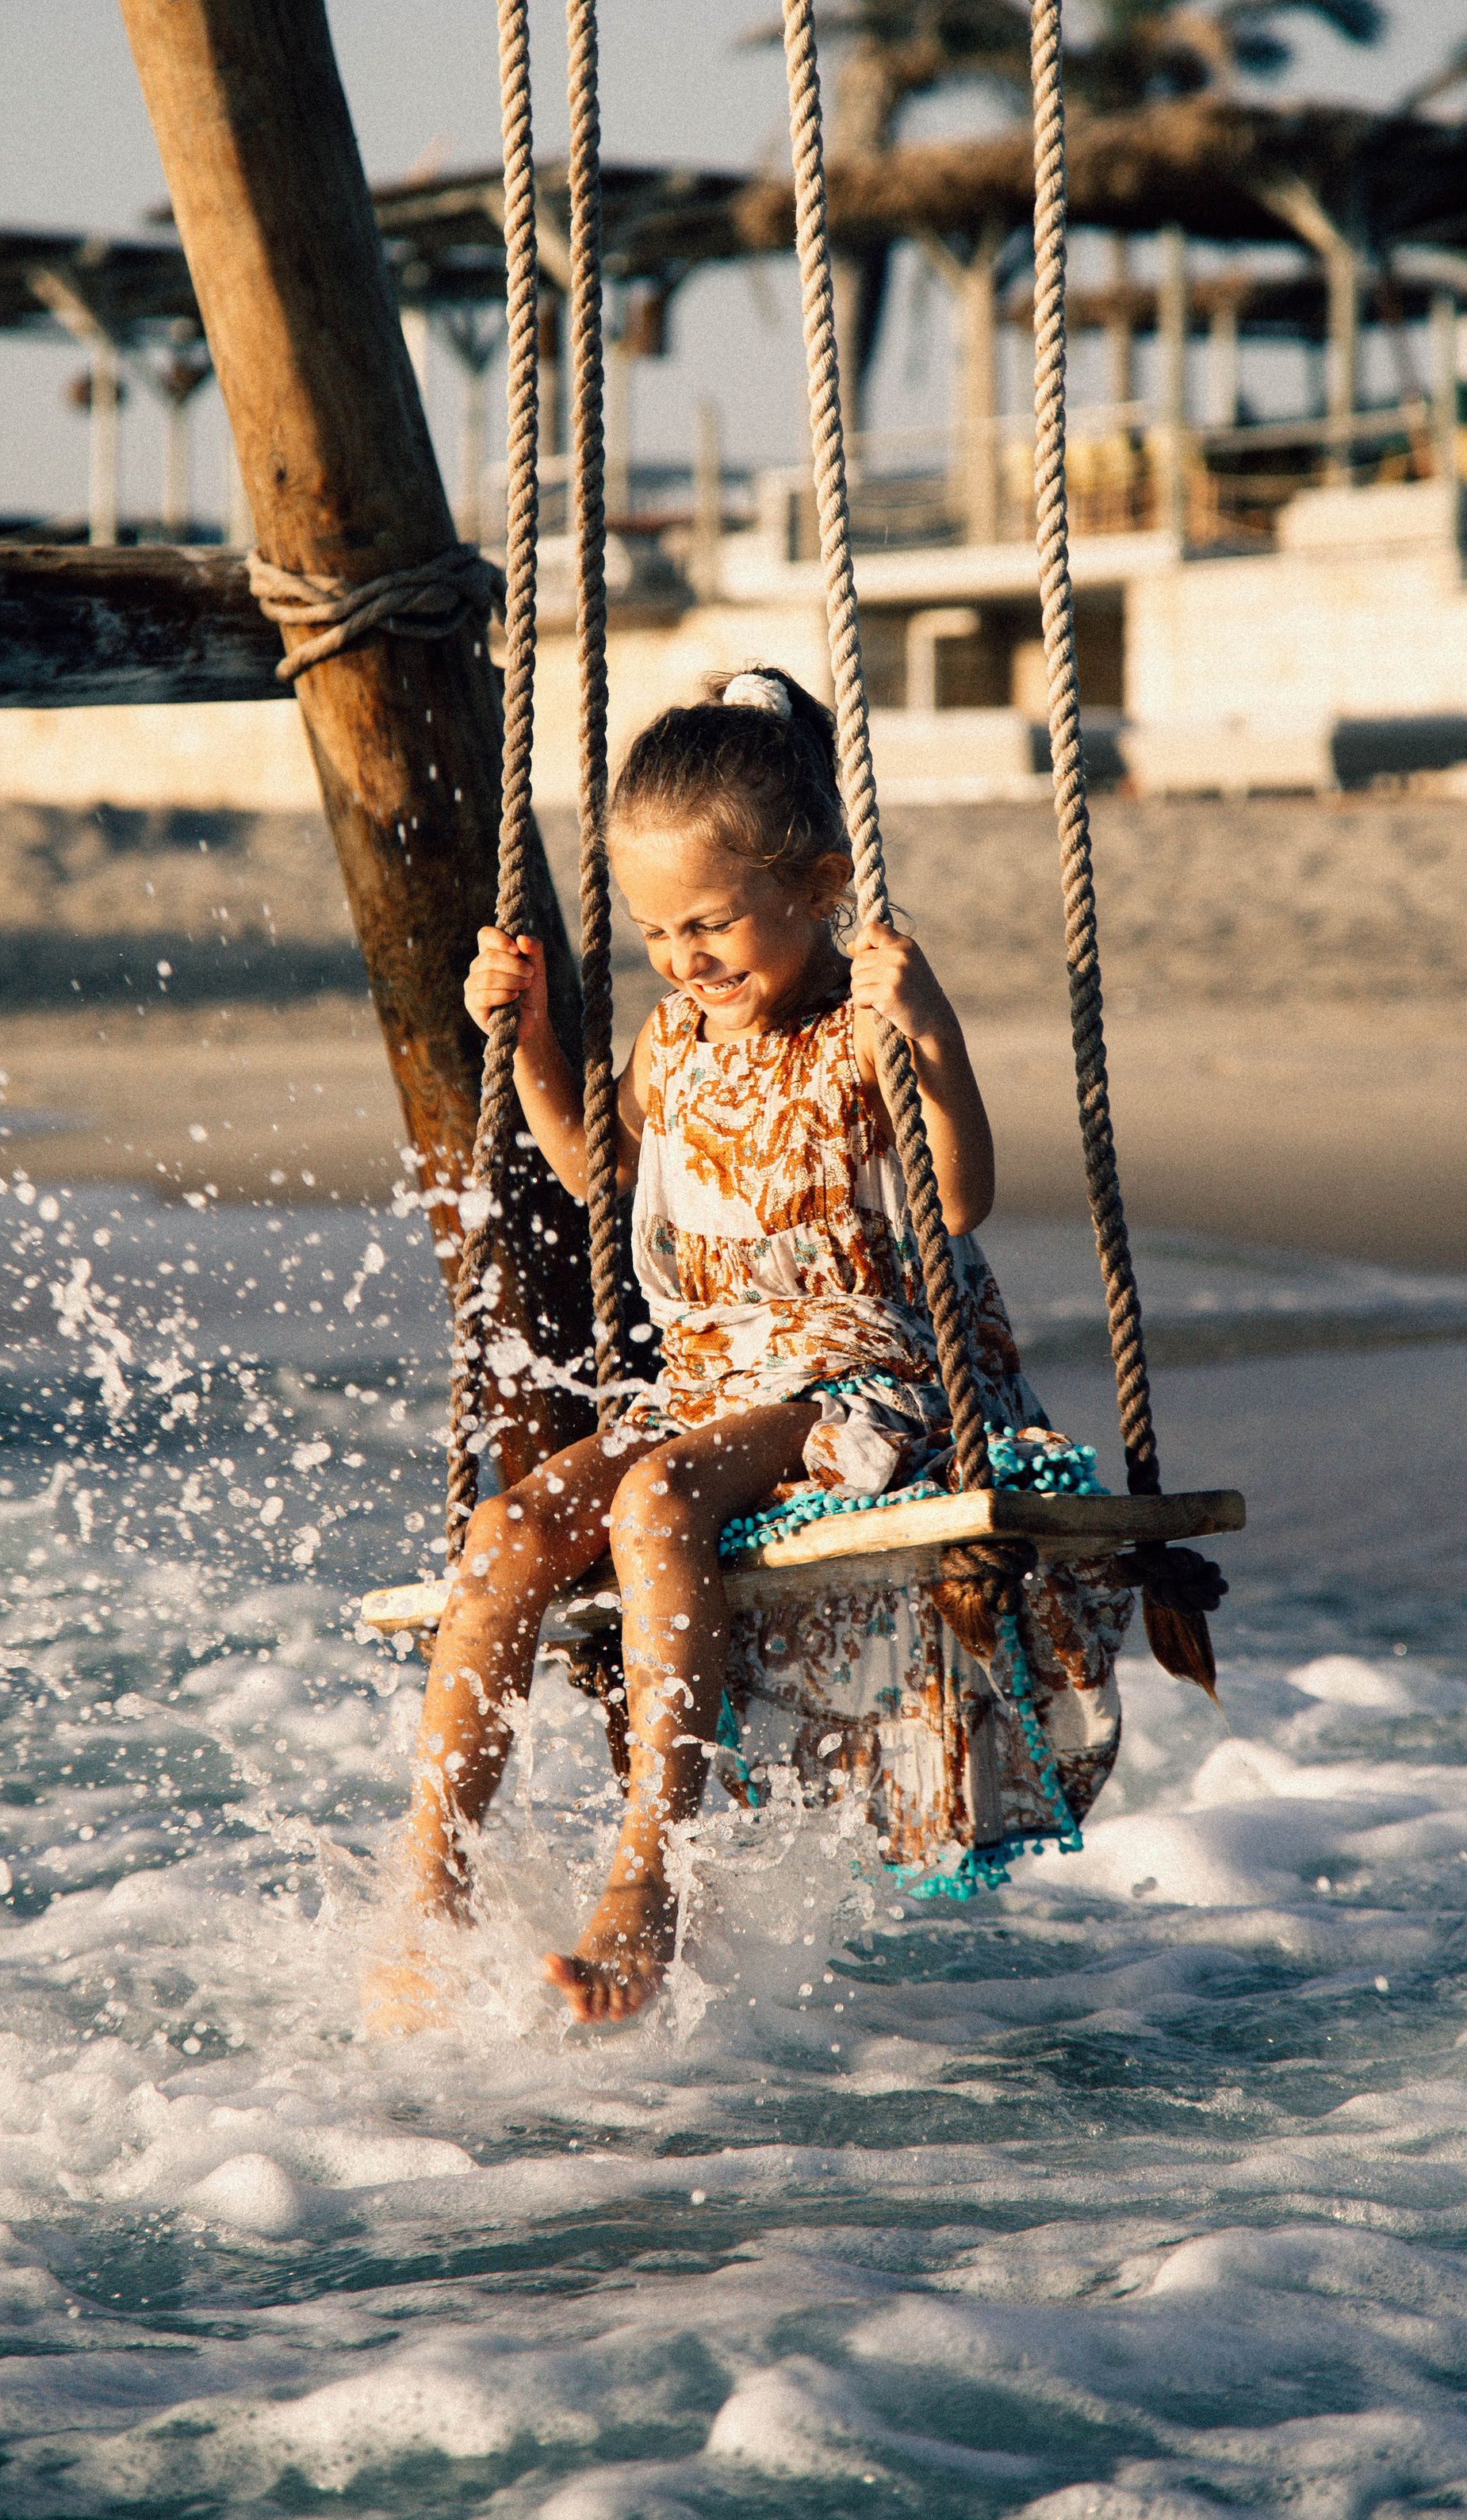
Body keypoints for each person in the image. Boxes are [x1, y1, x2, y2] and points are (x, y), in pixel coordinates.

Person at [363, 665, 1056, 2032]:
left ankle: (648, 1879)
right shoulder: (677, 1035)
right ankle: (429, 1885)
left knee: (654, 1498)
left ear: (818, 882)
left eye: (715, 922)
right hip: (717, 1389)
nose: (686, 957)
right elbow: (589, 1172)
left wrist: (934, 1037)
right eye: (658, 930)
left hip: (862, 1386)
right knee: (506, 1532)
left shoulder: (861, 1023)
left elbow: (960, 1199)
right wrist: (535, 1032)